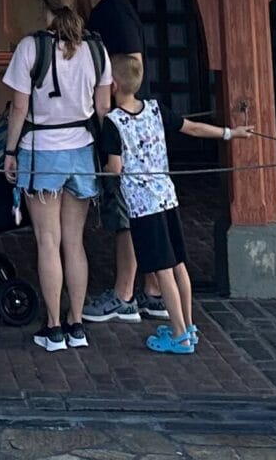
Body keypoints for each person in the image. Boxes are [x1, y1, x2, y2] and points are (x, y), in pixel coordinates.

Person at [1, 0, 110, 352]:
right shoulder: (95, 48)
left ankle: (53, 327)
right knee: (74, 243)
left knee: (48, 242)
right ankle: (76, 323)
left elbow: (19, 107)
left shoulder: (31, 48)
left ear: (42, 4)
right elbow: (102, 108)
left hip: (40, 148)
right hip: (81, 149)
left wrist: (10, 151)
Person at [100, 53, 236, 356]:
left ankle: (178, 335)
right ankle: (188, 326)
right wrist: (229, 133)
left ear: (114, 84)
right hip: (167, 197)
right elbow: (193, 128)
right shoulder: (155, 109)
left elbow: (116, 168)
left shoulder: (112, 122)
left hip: (142, 206)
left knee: (162, 271)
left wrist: (102, 171)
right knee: (178, 265)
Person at [69, 0, 153, 325]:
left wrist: (116, 111)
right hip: (121, 118)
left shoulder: (113, 13)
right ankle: (152, 290)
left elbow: (132, 63)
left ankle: (124, 294)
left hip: (123, 124)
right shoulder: (109, 10)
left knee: (127, 210)